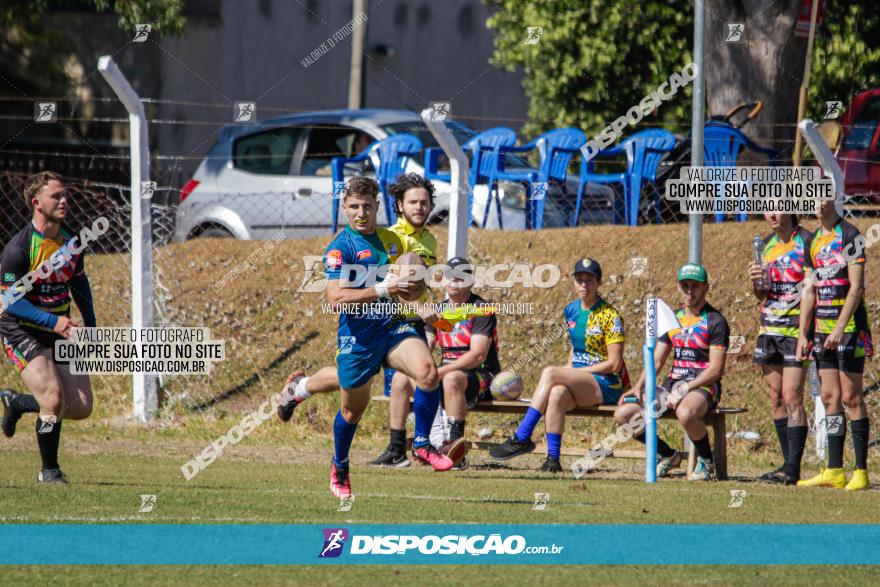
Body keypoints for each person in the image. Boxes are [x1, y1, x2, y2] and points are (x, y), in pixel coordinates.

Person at [278, 174, 453, 468]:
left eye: (368, 207)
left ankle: (422, 444)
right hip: (359, 335)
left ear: (377, 206)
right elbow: (335, 298)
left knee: (427, 372)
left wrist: (421, 307)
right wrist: (383, 289)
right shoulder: (339, 249)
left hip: (393, 327)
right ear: (345, 207)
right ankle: (301, 387)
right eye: (355, 206)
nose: (362, 213)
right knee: (352, 401)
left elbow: (403, 288)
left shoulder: (393, 241)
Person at [0, 171, 96, 483]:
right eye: (56, 196)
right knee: (53, 398)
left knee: (81, 406)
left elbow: (78, 283)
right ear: (36, 203)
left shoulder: (72, 241)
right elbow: (11, 302)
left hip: (60, 329)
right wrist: (54, 321)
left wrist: (91, 325)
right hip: (20, 329)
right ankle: (49, 470)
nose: (64, 200)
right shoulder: (18, 249)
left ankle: (17, 402)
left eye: (64, 194)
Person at [489, 258, 626, 473]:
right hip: (582, 381)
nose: (583, 285)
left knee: (551, 373)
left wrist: (574, 372)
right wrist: (570, 367)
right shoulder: (571, 310)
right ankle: (553, 460)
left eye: (589, 280)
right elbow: (576, 346)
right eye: (579, 280)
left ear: (598, 283)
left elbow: (615, 364)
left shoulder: (610, 315)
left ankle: (522, 436)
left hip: (607, 385)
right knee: (556, 393)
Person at [614, 263, 729, 481]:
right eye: (685, 285)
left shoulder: (715, 321)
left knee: (685, 412)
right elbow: (656, 360)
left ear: (706, 287)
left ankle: (706, 461)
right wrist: (638, 388)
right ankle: (667, 455)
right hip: (672, 383)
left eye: (695, 286)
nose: (689, 291)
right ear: (678, 287)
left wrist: (686, 388)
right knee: (623, 414)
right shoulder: (672, 319)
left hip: (704, 386)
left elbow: (716, 369)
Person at [796, 200, 873, 490]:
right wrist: (803, 333)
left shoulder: (851, 235)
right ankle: (835, 468)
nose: (814, 202)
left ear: (832, 198)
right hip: (821, 331)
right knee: (830, 399)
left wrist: (841, 326)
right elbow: (808, 290)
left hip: (849, 329)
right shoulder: (812, 241)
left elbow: (857, 286)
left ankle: (862, 471)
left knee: (852, 398)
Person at [749, 212, 813, 485]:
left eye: (777, 207)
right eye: (767, 208)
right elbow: (762, 294)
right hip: (770, 330)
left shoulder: (808, 241)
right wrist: (755, 281)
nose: (771, 214)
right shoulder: (765, 245)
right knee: (776, 398)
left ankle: (793, 468)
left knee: (792, 396)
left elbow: (814, 289)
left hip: (795, 331)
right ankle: (787, 467)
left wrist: (804, 333)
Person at [421, 257, 500, 470]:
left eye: (460, 278)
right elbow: (426, 345)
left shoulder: (481, 308)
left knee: (451, 378)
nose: (454, 282)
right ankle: (402, 446)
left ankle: (456, 452)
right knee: (409, 377)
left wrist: (441, 372)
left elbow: (477, 355)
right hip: (447, 374)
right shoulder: (438, 310)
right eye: (449, 277)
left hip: (481, 376)